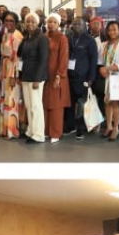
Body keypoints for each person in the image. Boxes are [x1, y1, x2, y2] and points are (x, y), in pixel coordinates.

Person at [64, 17, 98, 140]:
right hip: (69, 76)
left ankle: (81, 128)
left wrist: (91, 79)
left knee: (82, 104)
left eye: (79, 24)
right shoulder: (68, 38)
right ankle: (70, 126)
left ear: (85, 26)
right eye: (74, 24)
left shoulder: (90, 41)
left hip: (83, 77)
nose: (76, 26)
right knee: (69, 103)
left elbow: (93, 61)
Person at [17, 13, 49, 144]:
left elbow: (43, 60)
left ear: (38, 23)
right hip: (26, 75)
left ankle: (39, 134)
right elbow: (20, 56)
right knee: (29, 106)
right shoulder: (26, 38)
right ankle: (31, 131)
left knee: (36, 107)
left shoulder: (42, 38)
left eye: (33, 21)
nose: (30, 24)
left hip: (36, 78)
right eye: (28, 21)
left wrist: (37, 79)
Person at [99, 21, 119, 141]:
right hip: (107, 77)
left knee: (115, 103)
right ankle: (109, 126)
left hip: (118, 77)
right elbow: (101, 61)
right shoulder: (105, 44)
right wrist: (102, 69)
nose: (112, 32)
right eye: (109, 30)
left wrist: (108, 68)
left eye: (114, 29)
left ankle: (116, 128)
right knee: (107, 102)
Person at [44, 13, 70, 143]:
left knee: (56, 105)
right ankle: (45, 131)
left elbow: (64, 58)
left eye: (54, 22)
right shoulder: (44, 36)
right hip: (45, 76)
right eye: (49, 22)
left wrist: (59, 76)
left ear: (58, 24)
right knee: (45, 103)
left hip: (57, 76)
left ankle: (55, 132)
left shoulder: (62, 38)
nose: (51, 24)